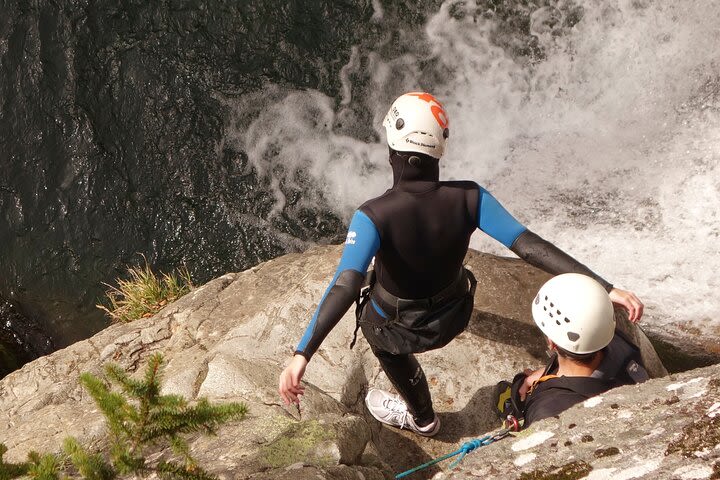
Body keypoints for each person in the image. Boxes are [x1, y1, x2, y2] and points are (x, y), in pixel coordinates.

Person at [278, 92, 644, 436]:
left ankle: (424, 420)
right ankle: (421, 412)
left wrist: (302, 355)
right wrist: (604, 288)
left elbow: (346, 284)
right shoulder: (470, 197)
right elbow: (529, 246)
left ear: (392, 148)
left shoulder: (373, 215)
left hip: (397, 331)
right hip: (454, 315)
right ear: (440, 148)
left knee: (382, 338)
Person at [496, 273, 649, 429]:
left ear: (552, 343)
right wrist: (545, 374)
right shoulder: (618, 343)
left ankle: (514, 418)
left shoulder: (547, 410)